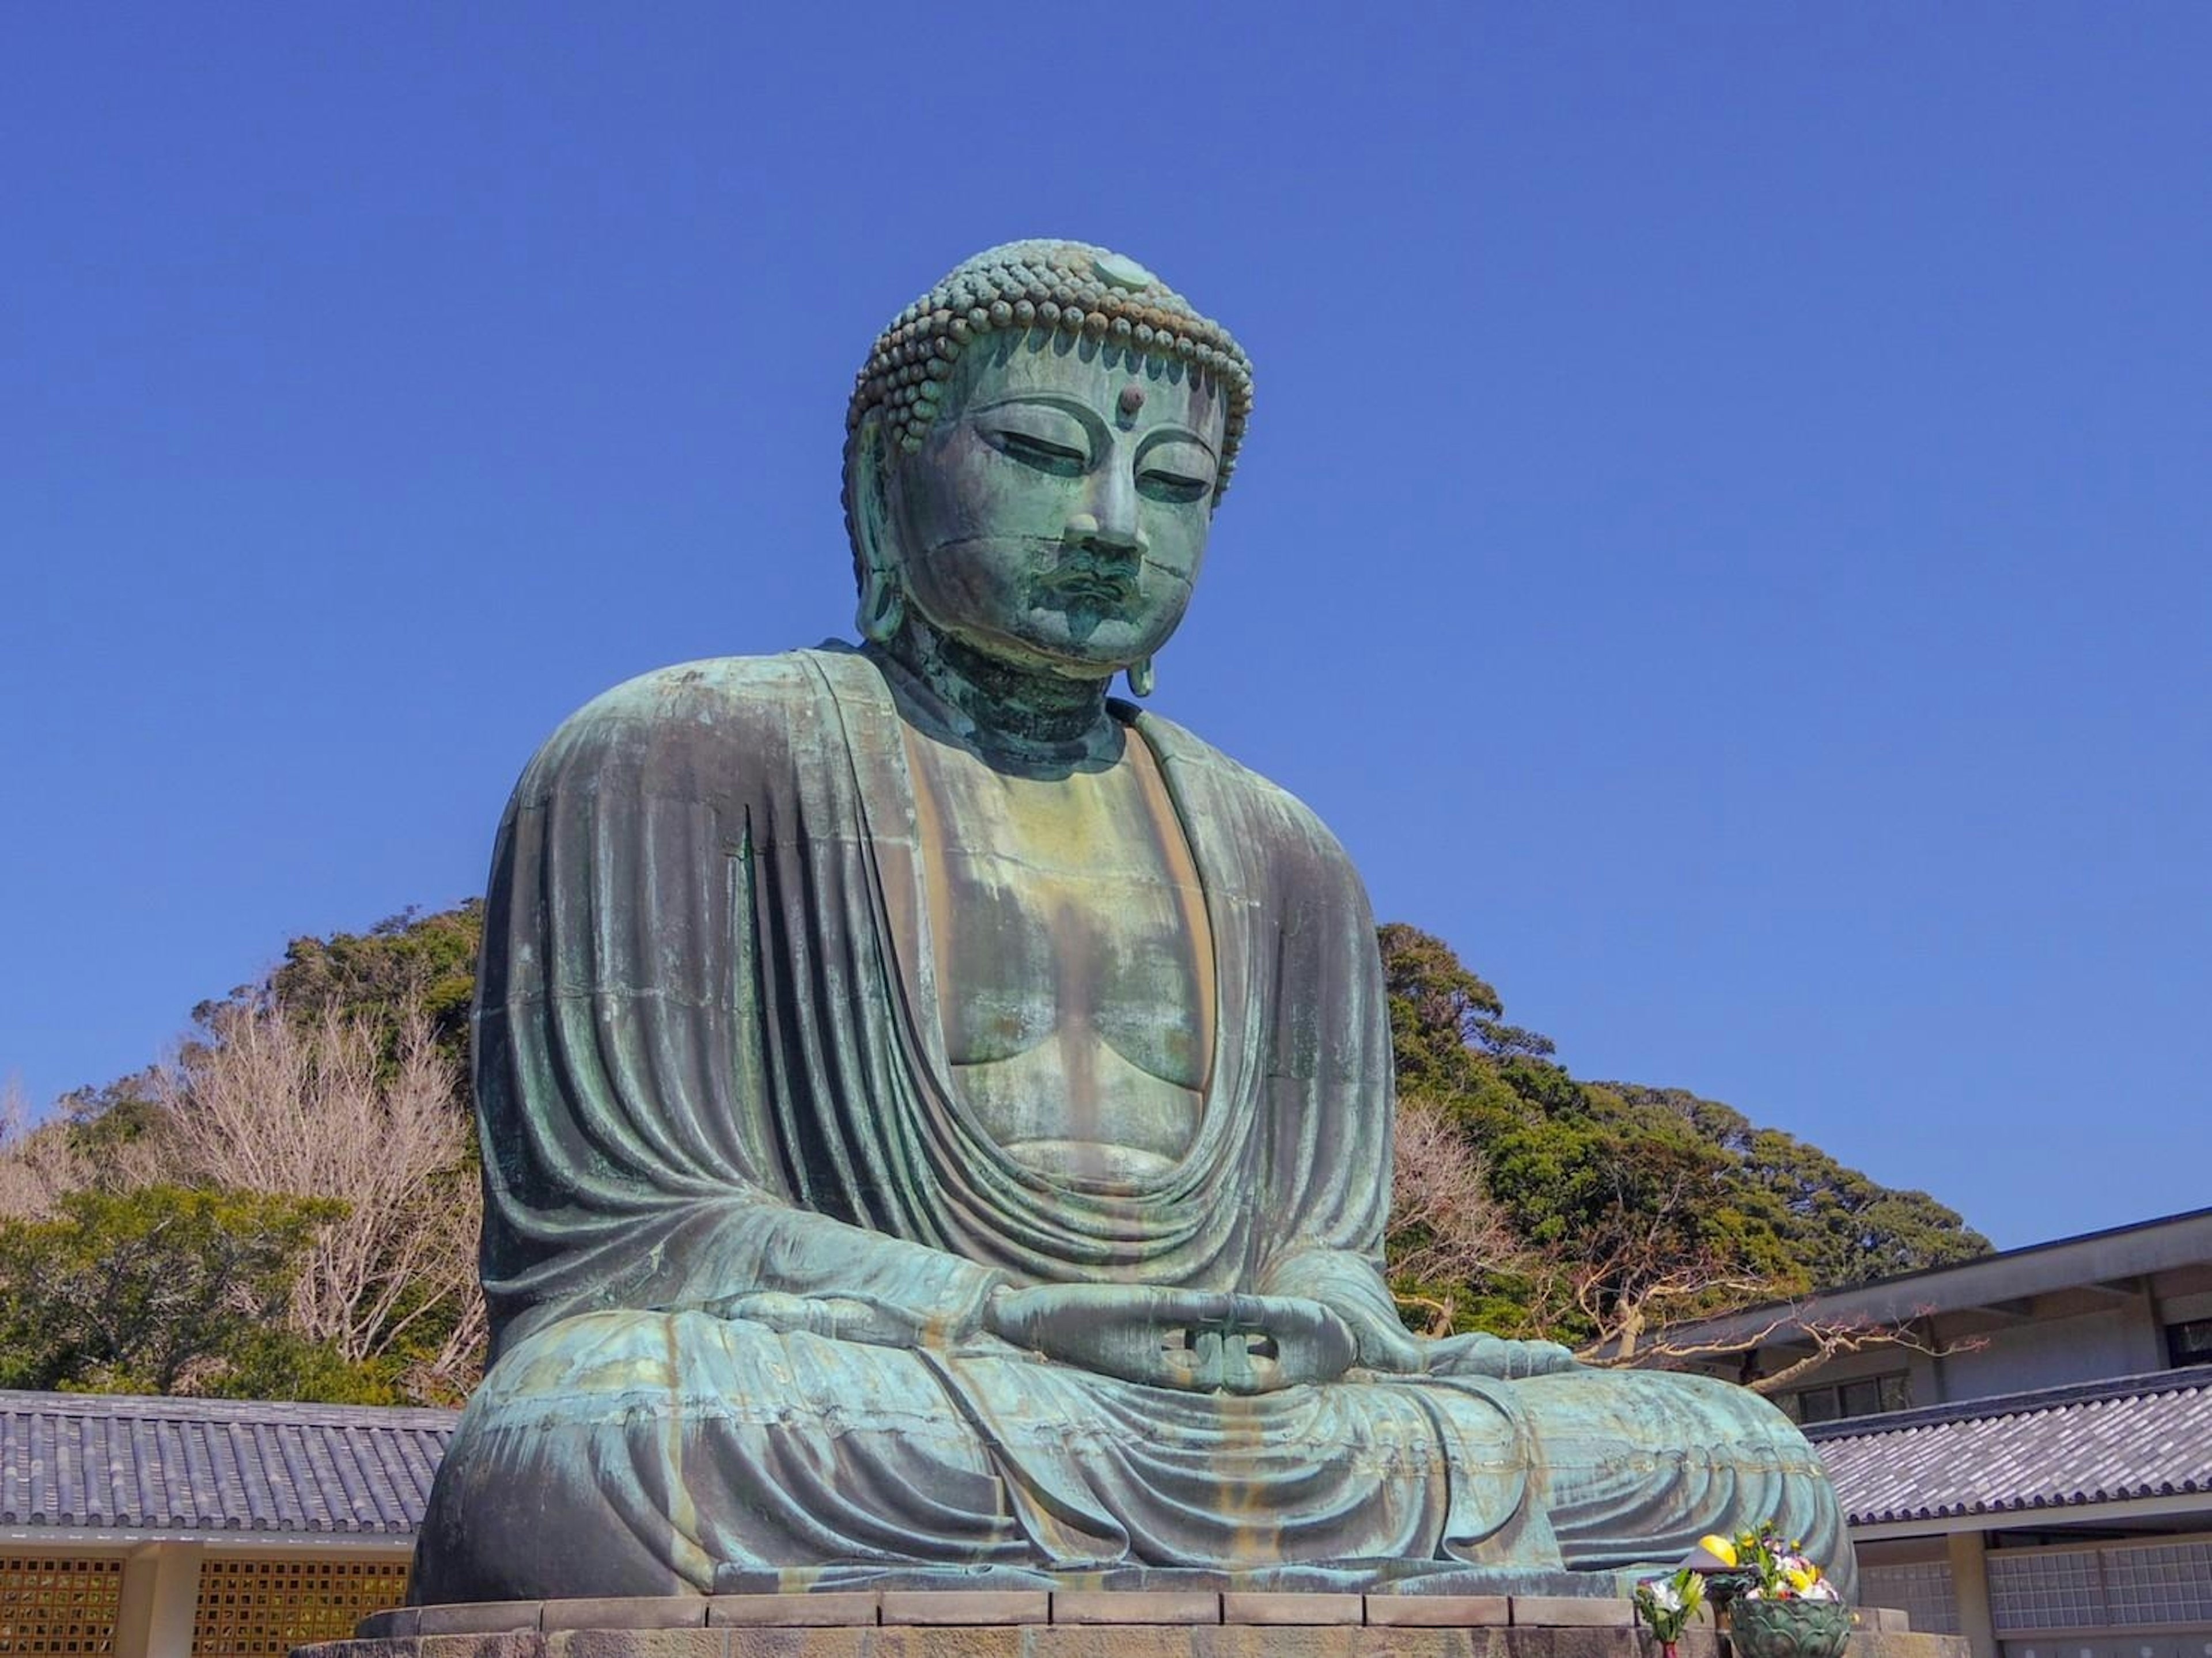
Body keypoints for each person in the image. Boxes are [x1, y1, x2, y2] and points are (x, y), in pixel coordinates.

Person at [410, 241, 1853, 1604]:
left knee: (1745, 1471)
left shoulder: (1286, 856)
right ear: (879, 480)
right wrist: (1000, 1314)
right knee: (591, 1433)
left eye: (1174, 485)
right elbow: (630, 1243)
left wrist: (1327, 1317)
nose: (1113, 527)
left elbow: (1319, 1244)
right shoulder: (675, 755)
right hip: (901, 1387)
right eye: (1041, 454)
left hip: (1248, 1423)